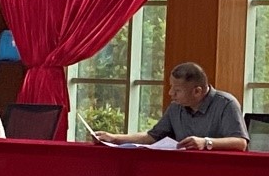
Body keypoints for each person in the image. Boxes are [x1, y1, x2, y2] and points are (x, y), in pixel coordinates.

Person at [95, 62, 249, 151]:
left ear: (197, 91)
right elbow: (152, 137)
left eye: (177, 90)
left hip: (218, 172)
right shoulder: (176, 107)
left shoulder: (226, 104)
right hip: (182, 170)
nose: (170, 93)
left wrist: (206, 142)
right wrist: (114, 138)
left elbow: (240, 143)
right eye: (171, 87)